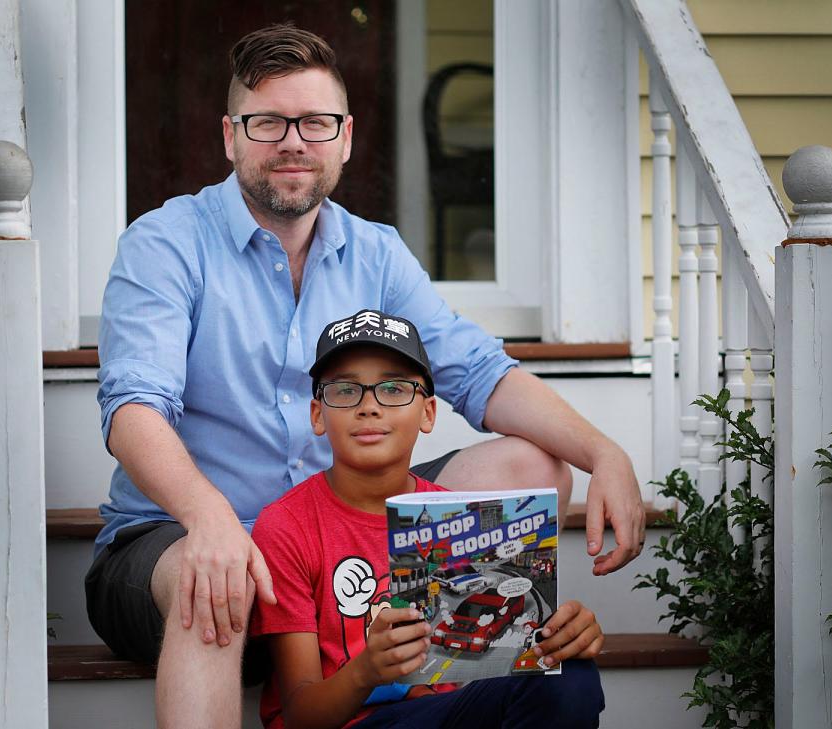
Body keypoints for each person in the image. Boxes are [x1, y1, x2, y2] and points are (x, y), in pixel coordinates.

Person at [85, 23, 642, 729]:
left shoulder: (375, 252)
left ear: (345, 137)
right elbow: (134, 409)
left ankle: (436, 694)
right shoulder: (165, 243)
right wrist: (209, 517)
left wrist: (604, 453)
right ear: (231, 136)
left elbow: (476, 371)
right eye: (267, 122)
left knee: (532, 464)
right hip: (173, 538)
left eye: (314, 122)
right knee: (210, 574)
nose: (293, 142)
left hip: (337, 560)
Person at [250, 309, 605, 728]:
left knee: (569, 674)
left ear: (428, 412)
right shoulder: (287, 525)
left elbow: (502, 655)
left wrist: (561, 637)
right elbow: (300, 716)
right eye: (345, 390)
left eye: (395, 388)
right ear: (317, 414)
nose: (369, 406)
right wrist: (365, 672)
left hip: (444, 713)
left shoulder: (459, 519)